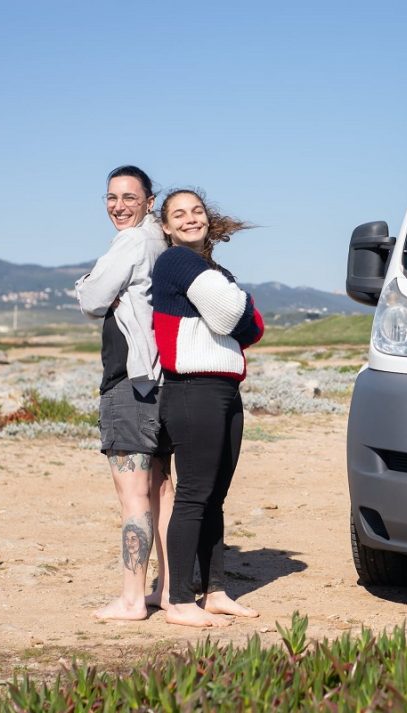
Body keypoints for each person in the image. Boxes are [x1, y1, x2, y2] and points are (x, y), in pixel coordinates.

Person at [152, 188, 265, 628]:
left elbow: (253, 328)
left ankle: (215, 591)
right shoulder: (177, 261)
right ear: (166, 226)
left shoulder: (213, 269)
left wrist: (241, 308)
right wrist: (243, 304)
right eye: (178, 214)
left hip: (223, 390)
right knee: (195, 495)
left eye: (196, 211)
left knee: (215, 496)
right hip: (191, 390)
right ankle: (179, 599)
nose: (190, 219)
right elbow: (227, 317)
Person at [75, 165, 174, 620]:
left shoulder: (133, 241)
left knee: (133, 495)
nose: (118, 206)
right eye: (111, 198)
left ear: (149, 201)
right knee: (162, 490)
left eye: (129, 197)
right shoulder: (162, 239)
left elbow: (92, 299)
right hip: (163, 380)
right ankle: (170, 591)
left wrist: (94, 288)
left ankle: (133, 598)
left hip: (130, 383)